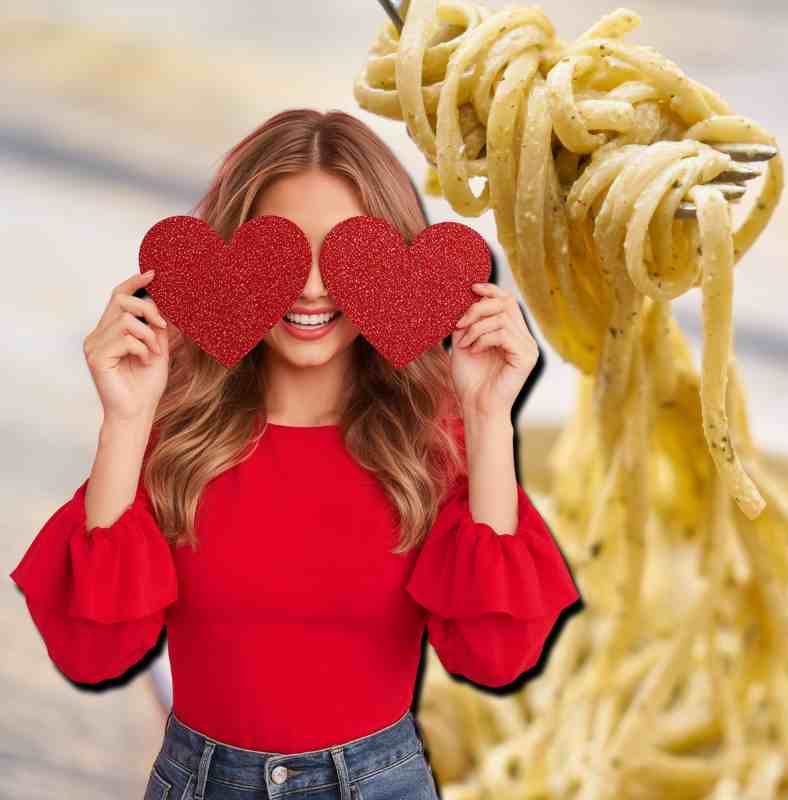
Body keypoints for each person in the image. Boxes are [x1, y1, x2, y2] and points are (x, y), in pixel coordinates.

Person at [8, 109, 580, 800]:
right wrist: (125, 420)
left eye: (344, 255)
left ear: (393, 268)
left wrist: (488, 417)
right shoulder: (174, 436)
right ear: (231, 265)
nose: (311, 287)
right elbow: (94, 652)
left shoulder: (433, 445)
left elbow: (495, 656)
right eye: (281, 253)